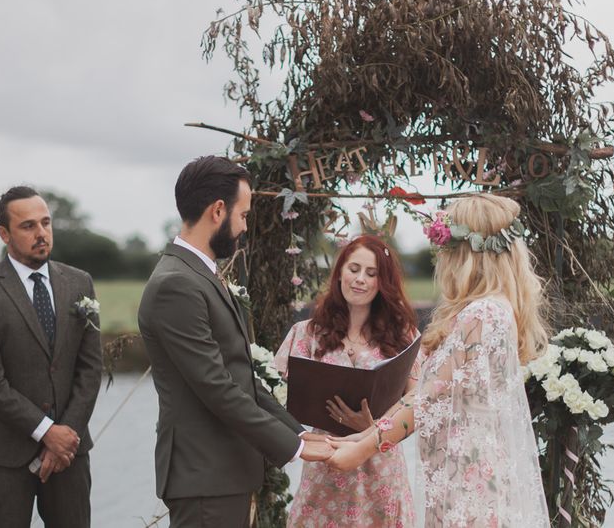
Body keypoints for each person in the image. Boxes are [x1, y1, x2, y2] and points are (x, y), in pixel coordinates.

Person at [328, 194, 551, 528]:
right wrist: (360, 436)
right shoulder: (491, 308)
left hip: (469, 488)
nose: (441, 258)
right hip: (460, 481)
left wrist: (361, 451)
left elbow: (425, 398)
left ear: (465, 253)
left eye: (446, 249)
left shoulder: (483, 314)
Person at [138, 155, 332, 528]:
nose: (244, 227)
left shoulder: (199, 275)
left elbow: (240, 376)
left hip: (222, 473)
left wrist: (299, 432)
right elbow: (216, 387)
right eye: (243, 215)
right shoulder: (175, 285)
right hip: (204, 476)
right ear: (218, 211)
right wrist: (296, 449)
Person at [0, 186, 102, 528]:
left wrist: (66, 434)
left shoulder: (80, 282)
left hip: (70, 452)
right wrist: (46, 432)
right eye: (28, 226)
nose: (41, 234)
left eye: (46, 223)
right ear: (4, 233)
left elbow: (91, 368)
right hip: (2, 454)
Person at [273, 234, 423, 527]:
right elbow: (275, 399)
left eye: (372, 273)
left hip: (381, 469)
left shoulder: (405, 335)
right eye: (354, 269)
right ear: (340, 271)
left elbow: (419, 404)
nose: (360, 280)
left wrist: (373, 427)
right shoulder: (306, 333)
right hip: (325, 465)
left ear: (384, 283)